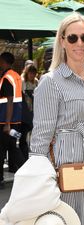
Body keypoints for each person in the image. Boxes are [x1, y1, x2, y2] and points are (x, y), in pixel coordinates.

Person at [29, 13, 84, 225]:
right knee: (68, 219)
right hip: (63, 171)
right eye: (73, 38)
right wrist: (41, 179)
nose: (79, 43)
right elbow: (39, 140)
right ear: (62, 41)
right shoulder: (50, 82)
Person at [0, 52, 24, 188]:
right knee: (13, 148)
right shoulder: (15, 76)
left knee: (3, 149)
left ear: (3, 61)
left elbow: (9, 101)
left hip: (5, 122)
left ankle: (0, 179)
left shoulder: (7, 78)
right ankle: (29, 174)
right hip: (15, 120)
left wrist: (7, 124)